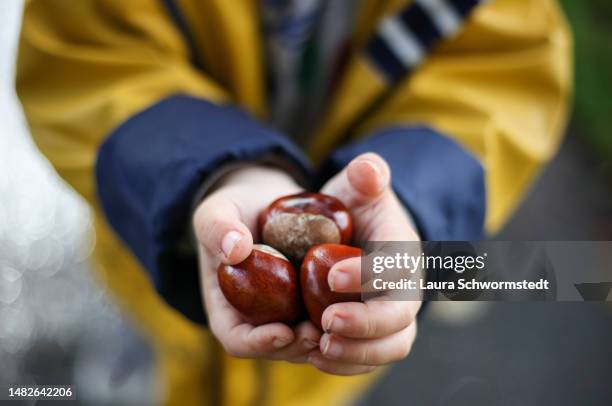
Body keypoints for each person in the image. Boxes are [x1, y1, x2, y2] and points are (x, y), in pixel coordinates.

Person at [16, 0, 571, 404]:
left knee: (321, 366)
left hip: (322, 351)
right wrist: (212, 174)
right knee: (149, 329)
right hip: (162, 249)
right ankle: (135, 364)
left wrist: (411, 199)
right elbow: (83, 61)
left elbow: (501, 79)